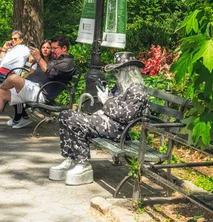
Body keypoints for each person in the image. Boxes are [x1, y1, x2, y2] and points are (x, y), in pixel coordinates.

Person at [49, 52, 148, 186]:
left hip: (118, 130)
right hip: (106, 122)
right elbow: (112, 106)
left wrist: (106, 101)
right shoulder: (121, 86)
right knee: (65, 115)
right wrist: (106, 101)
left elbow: (125, 116)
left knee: (75, 120)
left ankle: (82, 163)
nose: (116, 74)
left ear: (128, 71)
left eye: (118, 71)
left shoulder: (137, 90)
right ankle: (71, 157)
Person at [0, 35, 74, 135]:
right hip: (32, 88)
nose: (52, 50)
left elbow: (49, 72)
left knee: (14, 78)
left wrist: (39, 58)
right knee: (2, 93)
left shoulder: (66, 62)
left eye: (54, 48)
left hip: (41, 93)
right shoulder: (56, 59)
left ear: (64, 48)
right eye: (52, 48)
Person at [7, 40, 53, 129]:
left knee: (17, 90)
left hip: (42, 90)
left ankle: (19, 117)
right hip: (33, 85)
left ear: (51, 50)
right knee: (13, 89)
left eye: (48, 48)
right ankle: (21, 116)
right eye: (43, 47)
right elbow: (29, 73)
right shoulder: (37, 62)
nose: (45, 50)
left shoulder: (52, 63)